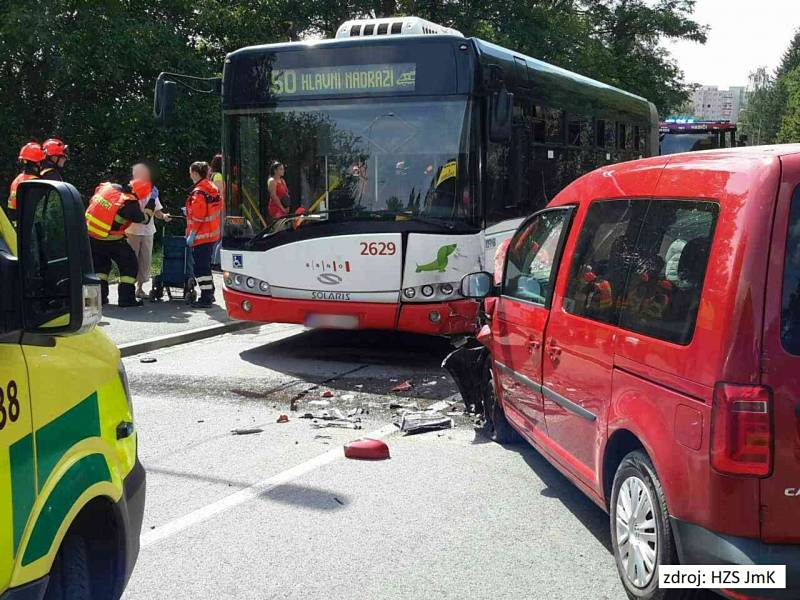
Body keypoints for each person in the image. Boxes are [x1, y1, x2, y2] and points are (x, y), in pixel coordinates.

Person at [86, 179, 155, 307]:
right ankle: (126, 299)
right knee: (130, 265)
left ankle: (100, 298)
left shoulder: (109, 187)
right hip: (110, 238)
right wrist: (151, 202)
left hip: (92, 235)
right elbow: (144, 219)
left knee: (100, 268)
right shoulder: (128, 203)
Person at [127, 163, 171, 298]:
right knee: (131, 260)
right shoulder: (129, 190)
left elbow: (157, 211)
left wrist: (163, 216)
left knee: (145, 261)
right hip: (132, 231)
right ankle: (128, 288)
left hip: (147, 231)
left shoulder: (152, 191)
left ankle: (139, 289)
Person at [186, 161, 222, 307]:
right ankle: (209, 293)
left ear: (195, 173)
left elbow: (198, 216)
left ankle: (206, 297)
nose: (189, 175)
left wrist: (192, 234)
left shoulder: (199, 192)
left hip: (201, 235)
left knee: (200, 269)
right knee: (205, 266)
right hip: (211, 234)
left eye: (190, 172)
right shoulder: (211, 188)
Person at [8, 142, 44, 221]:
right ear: (37, 163)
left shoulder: (17, 179)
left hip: (15, 225)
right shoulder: (35, 183)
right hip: (28, 228)